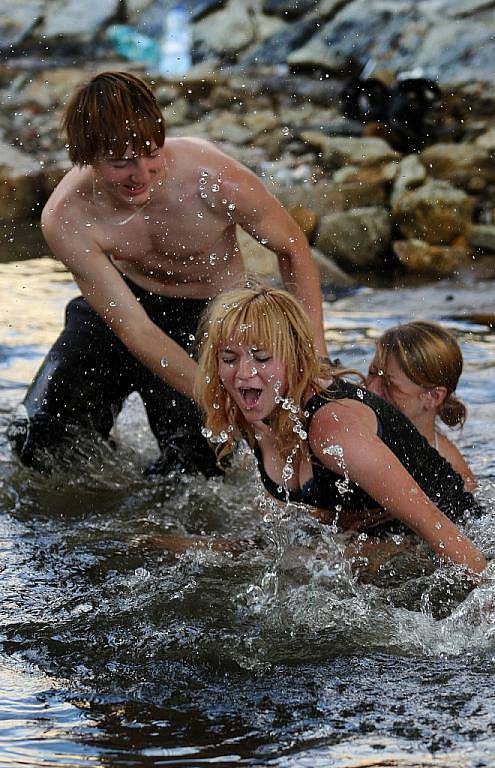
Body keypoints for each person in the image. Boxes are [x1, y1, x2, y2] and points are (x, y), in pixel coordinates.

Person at [6, 71, 325, 476]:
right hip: (123, 306)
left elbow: (292, 248)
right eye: (121, 164)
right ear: (85, 157)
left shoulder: (211, 179)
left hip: (211, 313)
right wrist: (212, 392)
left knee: (194, 473)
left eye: (150, 153)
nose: (141, 174)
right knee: (37, 441)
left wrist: (314, 354)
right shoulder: (67, 216)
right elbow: (134, 328)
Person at [195, 283, 486, 578]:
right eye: (229, 359)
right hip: (367, 543)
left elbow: (440, 528)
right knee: (187, 551)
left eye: (262, 358)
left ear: (295, 359)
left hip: (446, 538)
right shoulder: (249, 407)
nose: (244, 374)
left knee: (286, 564)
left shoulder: (332, 428)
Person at [366, 321, 476, 491]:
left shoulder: (455, 479)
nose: (371, 390)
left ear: (433, 396)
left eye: (389, 385)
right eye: (372, 374)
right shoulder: (355, 424)